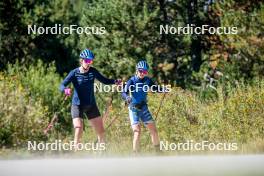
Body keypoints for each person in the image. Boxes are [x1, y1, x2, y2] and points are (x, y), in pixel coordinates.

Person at [60, 48, 121, 149]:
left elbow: (104, 80)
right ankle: (76, 154)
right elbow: (62, 84)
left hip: (91, 105)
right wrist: (65, 90)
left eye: (91, 61)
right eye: (87, 61)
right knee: (79, 128)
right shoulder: (74, 73)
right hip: (77, 105)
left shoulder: (93, 71)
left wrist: (115, 81)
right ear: (82, 60)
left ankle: (102, 154)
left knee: (101, 132)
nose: (89, 63)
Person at [122, 60, 167, 153]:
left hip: (143, 108)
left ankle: (158, 152)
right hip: (133, 109)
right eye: (140, 71)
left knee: (153, 130)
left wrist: (164, 89)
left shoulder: (148, 80)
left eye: (145, 71)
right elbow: (123, 92)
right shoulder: (132, 81)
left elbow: (155, 88)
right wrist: (127, 97)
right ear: (137, 70)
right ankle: (135, 155)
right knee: (137, 131)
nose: (142, 73)